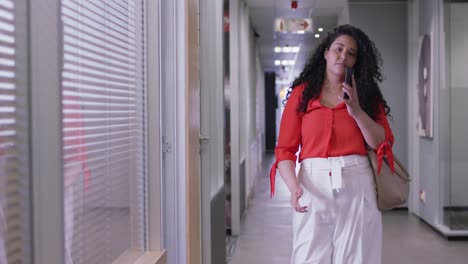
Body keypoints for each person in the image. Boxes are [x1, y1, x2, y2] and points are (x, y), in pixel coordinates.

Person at [270, 24, 394, 264]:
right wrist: (294, 186)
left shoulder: (367, 95)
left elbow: (382, 143)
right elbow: (284, 149)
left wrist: (356, 110)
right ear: (326, 52)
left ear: (356, 61)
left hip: (357, 182)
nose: (343, 56)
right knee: (308, 257)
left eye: (351, 53)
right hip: (312, 183)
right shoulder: (302, 93)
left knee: (357, 257)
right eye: (338, 49)